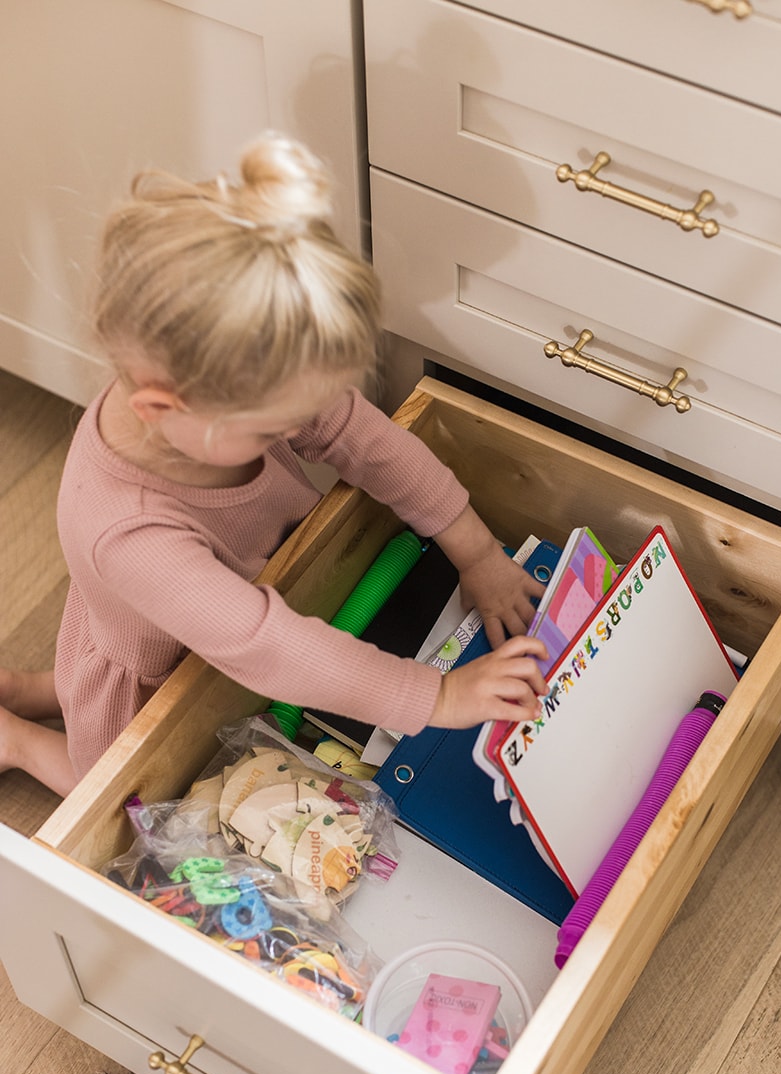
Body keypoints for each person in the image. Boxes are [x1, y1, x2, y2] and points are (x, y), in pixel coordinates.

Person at [0, 132, 548, 798]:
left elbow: (369, 440)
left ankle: (40, 688)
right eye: (275, 427)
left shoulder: (232, 388)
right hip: (156, 672)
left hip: (241, 609)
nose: (303, 426)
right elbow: (268, 645)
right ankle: (22, 740)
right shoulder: (129, 533)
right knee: (121, 795)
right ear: (160, 406)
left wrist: (478, 553)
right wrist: (436, 697)